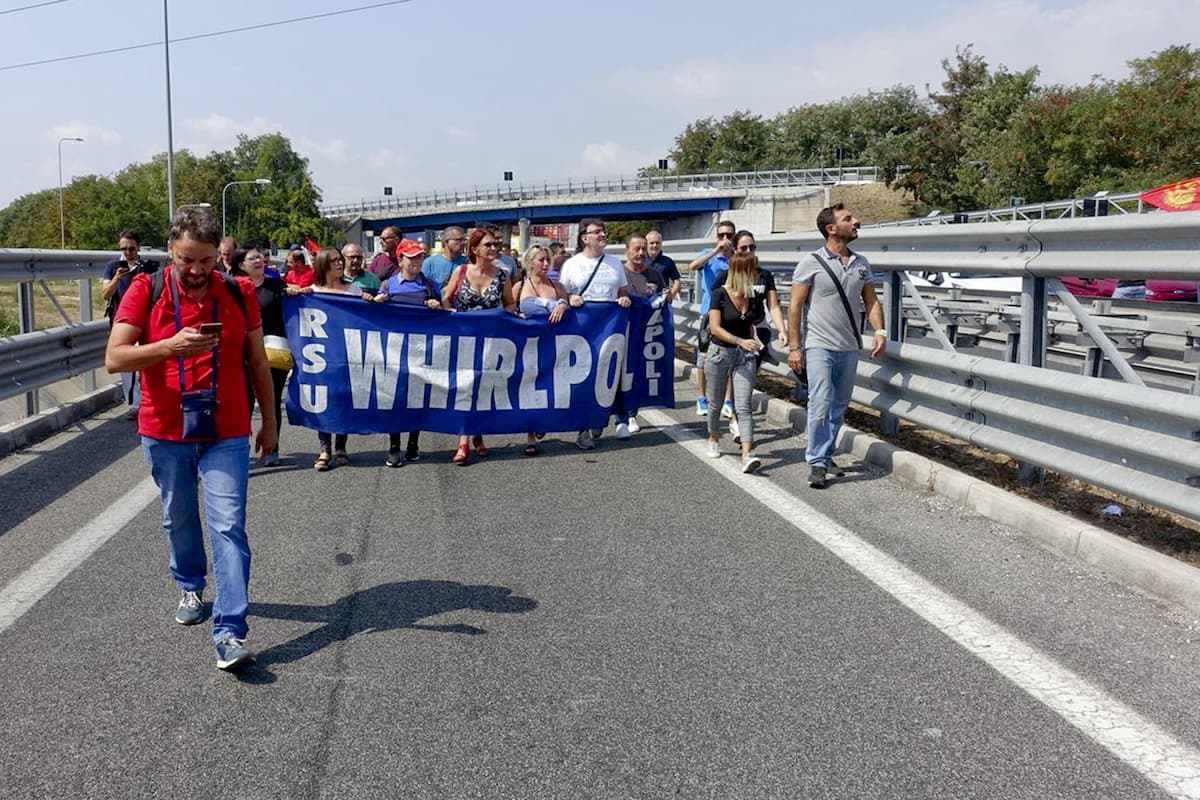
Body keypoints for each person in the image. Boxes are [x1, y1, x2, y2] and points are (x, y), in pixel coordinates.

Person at [104, 207, 275, 672]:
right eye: (186, 261)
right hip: (164, 427)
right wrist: (169, 346)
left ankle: (230, 632)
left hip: (227, 428)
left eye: (205, 261)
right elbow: (115, 359)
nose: (196, 271)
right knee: (178, 517)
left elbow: (258, 362)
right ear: (170, 253)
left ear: (219, 256)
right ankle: (190, 584)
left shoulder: (239, 292)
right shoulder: (145, 288)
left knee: (228, 526)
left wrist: (271, 422)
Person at [786, 203, 886, 489]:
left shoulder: (861, 263)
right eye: (848, 219)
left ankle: (826, 452)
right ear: (831, 229)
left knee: (838, 407)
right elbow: (795, 306)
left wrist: (880, 330)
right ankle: (817, 462)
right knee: (820, 401)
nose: (857, 221)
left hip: (849, 347)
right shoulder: (810, 262)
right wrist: (795, 347)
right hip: (819, 344)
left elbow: (872, 301)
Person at [443, 228, 517, 465]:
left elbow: (510, 304)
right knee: (465, 387)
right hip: (463, 339)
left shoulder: (502, 275)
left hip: (490, 341)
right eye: (488, 245)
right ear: (474, 249)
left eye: (495, 245)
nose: (494, 249)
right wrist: (449, 312)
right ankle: (463, 442)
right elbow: (447, 298)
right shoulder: (461, 271)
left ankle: (477, 435)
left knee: (482, 389)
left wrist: (500, 318)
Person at [559, 218, 631, 450]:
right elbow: (561, 293)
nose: (603, 235)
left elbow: (622, 290)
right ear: (584, 238)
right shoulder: (572, 264)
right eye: (597, 232)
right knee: (583, 377)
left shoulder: (614, 263)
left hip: (609, 330)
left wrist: (624, 298)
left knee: (607, 375)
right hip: (582, 331)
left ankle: (600, 417)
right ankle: (583, 430)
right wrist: (570, 298)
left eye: (604, 231)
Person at [711, 230, 788, 444]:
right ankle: (732, 418)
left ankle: (737, 417)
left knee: (745, 378)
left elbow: (772, 305)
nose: (749, 251)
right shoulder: (725, 277)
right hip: (731, 334)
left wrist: (782, 330)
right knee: (731, 378)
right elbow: (716, 306)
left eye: (752, 247)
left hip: (756, 331)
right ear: (734, 250)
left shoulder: (764, 275)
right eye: (744, 248)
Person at [374, 239, 441, 466]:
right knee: (395, 399)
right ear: (401, 260)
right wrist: (376, 303)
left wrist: (436, 306)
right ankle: (394, 446)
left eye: (420, 257)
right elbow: (374, 319)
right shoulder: (387, 286)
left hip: (422, 350)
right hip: (394, 351)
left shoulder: (431, 285)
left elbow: (444, 316)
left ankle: (413, 443)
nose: (417, 261)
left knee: (418, 399)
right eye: (412, 257)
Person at [704, 250, 768, 474]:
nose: (758, 276)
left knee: (744, 405)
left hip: (745, 356)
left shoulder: (751, 296)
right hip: (720, 353)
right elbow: (715, 328)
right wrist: (740, 341)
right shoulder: (719, 294)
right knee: (715, 403)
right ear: (744, 272)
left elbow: (750, 325)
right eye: (754, 271)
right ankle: (713, 437)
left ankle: (747, 454)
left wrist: (755, 340)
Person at [230, 247, 288, 467]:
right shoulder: (233, 289)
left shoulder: (277, 286)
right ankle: (239, 450)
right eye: (251, 258)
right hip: (241, 355)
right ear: (241, 265)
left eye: (259, 257)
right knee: (243, 402)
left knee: (271, 400)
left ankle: (272, 449)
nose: (258, 261)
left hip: (273, 354)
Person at [513, 244, 571, 455]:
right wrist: (552, 306)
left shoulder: (557, 285)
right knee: (530, 387)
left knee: (551, 386)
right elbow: (525, 305)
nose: (546, 264)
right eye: (541, 260)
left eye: (548, 259)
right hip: (529, 345)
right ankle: (530, 435)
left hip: (555, 345)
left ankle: (543, 421)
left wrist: (564, 304)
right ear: (530, 263)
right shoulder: (521, 285)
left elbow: (569, 303)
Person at [302, 248, 354, 471]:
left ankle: (341, 446)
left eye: (340, 260)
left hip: (346, 355)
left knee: (343, 398)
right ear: (323, 264)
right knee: (322, 400)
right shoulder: (311, 292)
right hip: (320, 356)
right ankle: (325, 448)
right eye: (334, 261)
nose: (340, 264)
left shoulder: (353, 289)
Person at [101, 229, 159, 419]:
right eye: (124, 249)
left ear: (138, 247)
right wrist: (117, 278)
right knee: (127, 364)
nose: (127, 253)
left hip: (146, 319)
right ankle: (134, 405)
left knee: (145, 361)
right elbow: (105, 294)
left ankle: (148, 399)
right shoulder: (113, 266)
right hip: (122, 321)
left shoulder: (148, 267)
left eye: (131, 249)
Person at [617, 233, 667, 438]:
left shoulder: (654, 274)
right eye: (636, 249)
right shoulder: (618, 273)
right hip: (620, 331)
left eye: (643, 249)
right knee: (619, 373)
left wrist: (665, 297)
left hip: (645, 334)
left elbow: (664, 296)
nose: (640, 253)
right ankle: (617, 416)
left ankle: (631, 414)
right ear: (626, 250)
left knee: (637, 373)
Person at [687, 220, 737, 418]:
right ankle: (702, 398)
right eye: (721, 235)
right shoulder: (710, 253)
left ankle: (728, 400)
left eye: (729, 235)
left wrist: (731, 256)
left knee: (731, 359)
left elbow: (746, 275)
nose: (725, 239)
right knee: (703, 358)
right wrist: (716, 251)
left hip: (732, 314)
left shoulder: (736, 256)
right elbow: (693, 266)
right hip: (710, 312)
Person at [645, 229, 682, 303]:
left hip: (662, 301)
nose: (655, 245)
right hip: (643, 300)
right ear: (646, 244)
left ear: (661, 244)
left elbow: (677, 281)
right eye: (651, 243)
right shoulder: (640, 260)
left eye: (657, 243)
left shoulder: (668, 261)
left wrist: (672, 293)